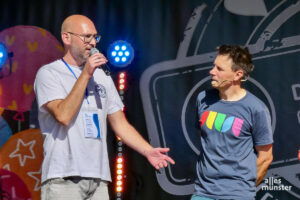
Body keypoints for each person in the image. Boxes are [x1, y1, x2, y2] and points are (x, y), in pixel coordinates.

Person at [34, 14, 175, 200]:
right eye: (86, 37)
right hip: (64, 177)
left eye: (95, 37)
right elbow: (63, 115)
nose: (92, 43)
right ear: (67, 38)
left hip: (98, 178)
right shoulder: (49, 73)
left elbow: (120, 124)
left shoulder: (102, 77)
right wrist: (86, 74)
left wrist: (147, 150)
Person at [191, 45, 273, 200]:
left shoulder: (256, 109)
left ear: (237, 75)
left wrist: (242, 189)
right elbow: (205, 138)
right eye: (213, 66)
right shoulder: (203, 98)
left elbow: (266, 156)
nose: (212, 71)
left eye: (219, 69)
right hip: (203, 193)